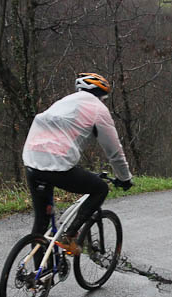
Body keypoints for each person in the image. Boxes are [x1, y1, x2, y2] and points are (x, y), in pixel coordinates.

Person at [22, 72, 133, 255]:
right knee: (100, 189)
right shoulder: (98, 109)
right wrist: (124, 178)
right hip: (58, 164)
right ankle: (70, 235)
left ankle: (39, 271)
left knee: (41, 223)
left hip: (32, 160)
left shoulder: (64, 102)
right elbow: (114, 151)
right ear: (101, 95)